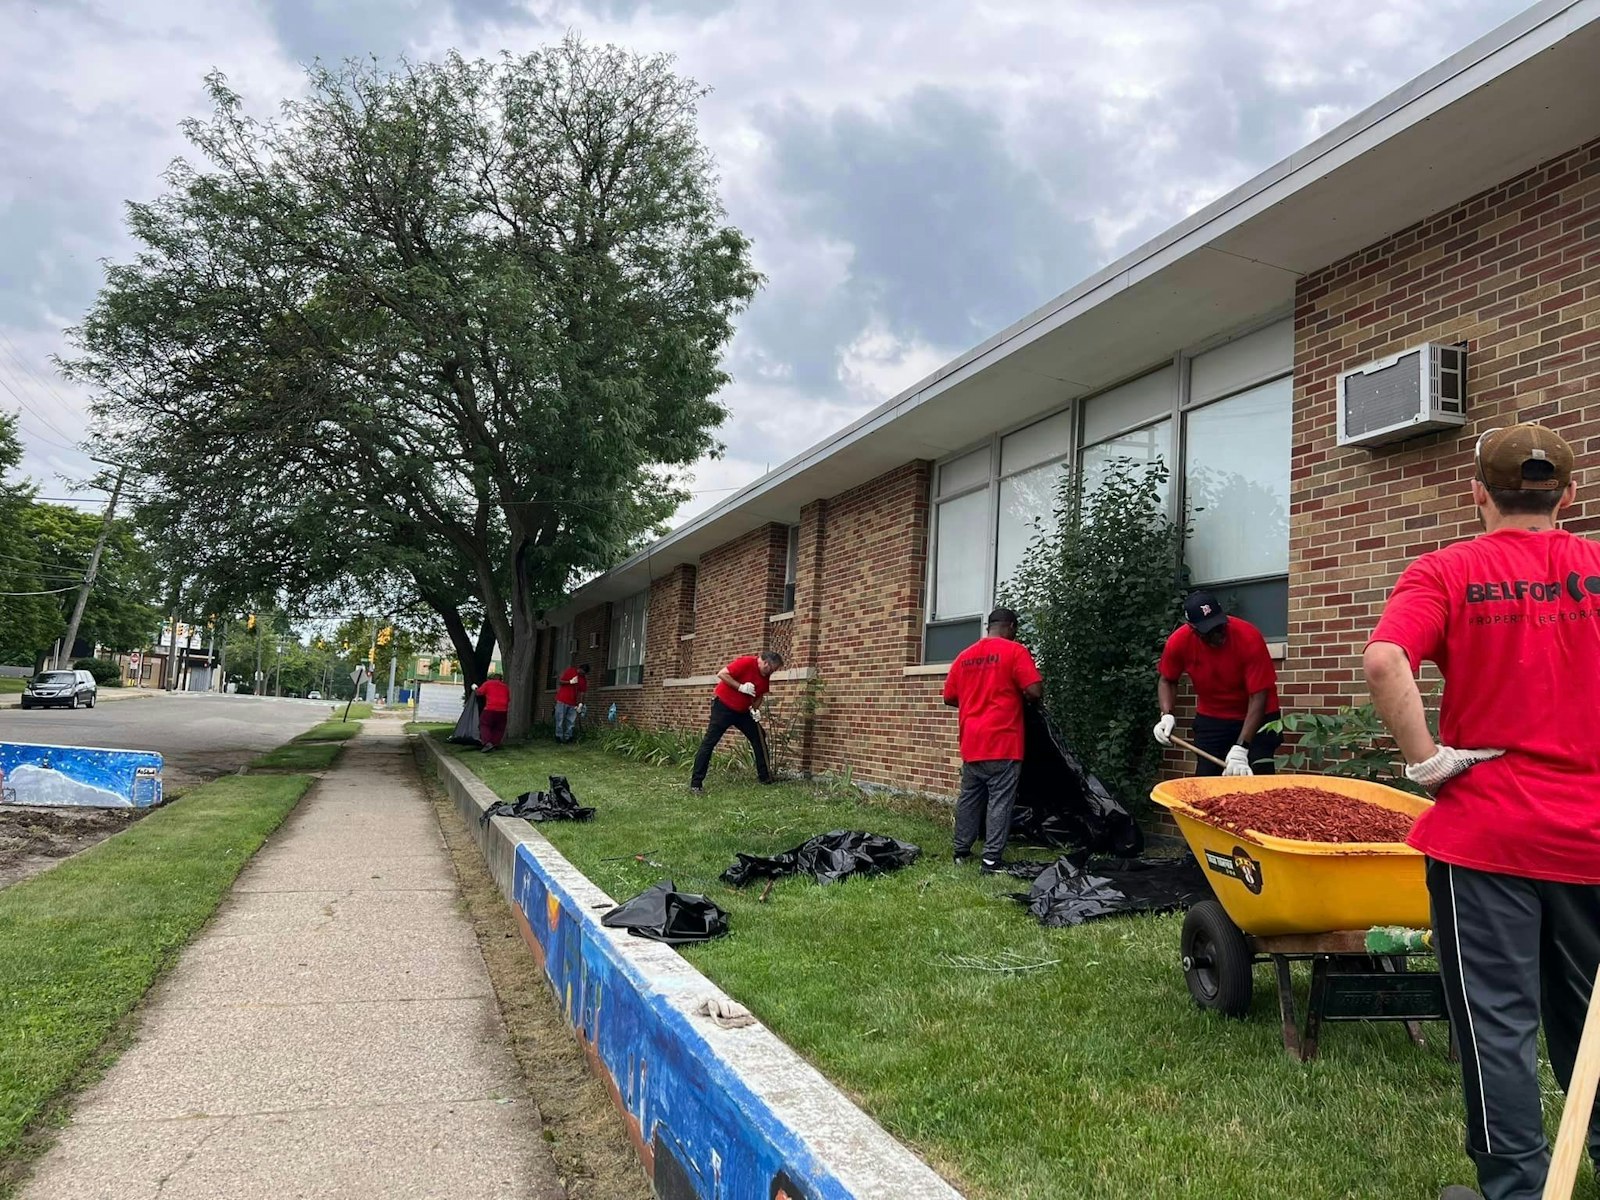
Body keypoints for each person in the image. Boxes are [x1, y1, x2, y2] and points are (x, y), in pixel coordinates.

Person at [1364, 423, 1600, 1200]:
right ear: (1568, 496)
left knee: (1498, 1023)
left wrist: (1427, 761)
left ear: (1477, 497)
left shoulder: (1448, 570)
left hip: (1486, 841)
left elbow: (1384, 657)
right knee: (1590, 1020)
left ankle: (1518, 1189)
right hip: (1591, 840)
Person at [941, 607, 1044, 872]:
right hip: (1003, 740)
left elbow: (949, 697)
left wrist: (974, 699)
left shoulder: (965, 656)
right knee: (1000, 800)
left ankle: (961, 851)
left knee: (969, 797)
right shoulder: (1014, 651)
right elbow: (1034, 690)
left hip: (972, 740)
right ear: (1010, 627)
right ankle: (991, 860)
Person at [1153, 590, 1281, 777]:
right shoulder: (1179, 642)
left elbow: (1259, 695)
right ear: (1193, 628)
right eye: (1209, 631)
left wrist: (1241, 747)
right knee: (1207, 780)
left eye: (1219, 626)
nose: (1218, 634)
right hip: (1213, 718)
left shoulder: (1248, 636)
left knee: (1258, 780)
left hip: (1258, 715)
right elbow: (1167, 679)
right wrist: (1166, 715)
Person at [688, 650, 783, 793]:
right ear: (766, 663)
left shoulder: (765, 674)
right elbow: (722, 674)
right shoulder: (746, 662)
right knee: (710, 742)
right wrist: (741, 687)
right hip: (723, 707)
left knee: (759, 736)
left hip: (742, 712)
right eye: (772, 669)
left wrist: (755, 710)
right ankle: (696, 784)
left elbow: (759, 695)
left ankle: (765, 777)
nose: (772, 672)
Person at [474, 671, 510, 753]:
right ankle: (494, 743)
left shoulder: (488, 684)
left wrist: (475, 688)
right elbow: (508, 699)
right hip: (503, 711)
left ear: (492, 678)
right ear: (501, 679)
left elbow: (479, 693)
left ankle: (487, 743)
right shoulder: (505, 687)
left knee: (485, 725)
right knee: (499, 728)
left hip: (490, 709)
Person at [554, 662, 589, 743]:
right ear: (579, 668)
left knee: (571, 721)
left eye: (584, 673)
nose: (582, 674)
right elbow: (560, 682)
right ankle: (558, 737)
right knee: (560, 719)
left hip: (573, 703)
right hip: (562, 700)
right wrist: (570, 682)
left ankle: (568, 737)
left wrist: (581, 703)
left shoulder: (583, 679)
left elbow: (582, 692)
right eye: (581, 672)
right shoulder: (570, 671)